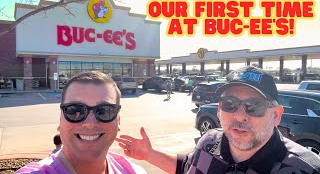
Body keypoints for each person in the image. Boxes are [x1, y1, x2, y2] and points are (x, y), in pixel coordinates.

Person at [115, 66, 320, 174]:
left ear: (275, 115)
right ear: (220, 109)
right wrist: (149, 154)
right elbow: (187, 167)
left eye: (254, 106)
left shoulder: (305, 169)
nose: (240, 115)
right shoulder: (209, 142)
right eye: (230, 103)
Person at [16, 71, 146, 173]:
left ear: (118, 121)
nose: (90, 123)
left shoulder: (134, 171)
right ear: (60, 121)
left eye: (104, 111)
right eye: (74, 111)